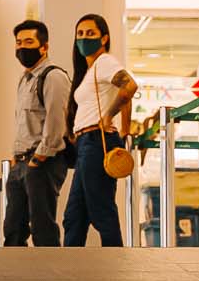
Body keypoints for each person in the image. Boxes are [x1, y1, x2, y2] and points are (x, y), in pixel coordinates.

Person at [60, 13, 140, 248]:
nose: (84, 38)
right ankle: (71, 265)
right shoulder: (91, 70)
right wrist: (124, 130)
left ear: (104, 38)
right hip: (87, 143)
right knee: (74, 216)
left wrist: (109, 116)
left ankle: (115, 261)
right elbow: (124, 95)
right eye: (80, 34)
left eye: (90, 33)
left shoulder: (104, 62)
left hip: (97, 141)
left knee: (101, 211)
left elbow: (129, 86)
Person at [3, 19, 73, 247]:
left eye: (29, 42)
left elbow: (56, 121)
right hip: (21, 163)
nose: (22, 47)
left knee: (42, 229)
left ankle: (50, 270)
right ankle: (16, 270)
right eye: (19, 42)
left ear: (44, 47)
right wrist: (16, 158)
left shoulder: (54, 77)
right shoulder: (25, 79)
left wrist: (39, 157)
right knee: (13, 229)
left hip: (43, 163)